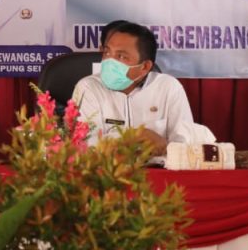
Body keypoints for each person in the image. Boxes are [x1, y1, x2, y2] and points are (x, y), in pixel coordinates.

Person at [71, 21, 208, 155]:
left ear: (145, 67)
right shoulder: (88, 87)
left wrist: (164, 147)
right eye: (107, 52)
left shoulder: (168, 87)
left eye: (121, 56)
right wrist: (131, 137)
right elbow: (84, 145)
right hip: (107, 173)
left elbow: (185, 145)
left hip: (158, 172)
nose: (109, 61)